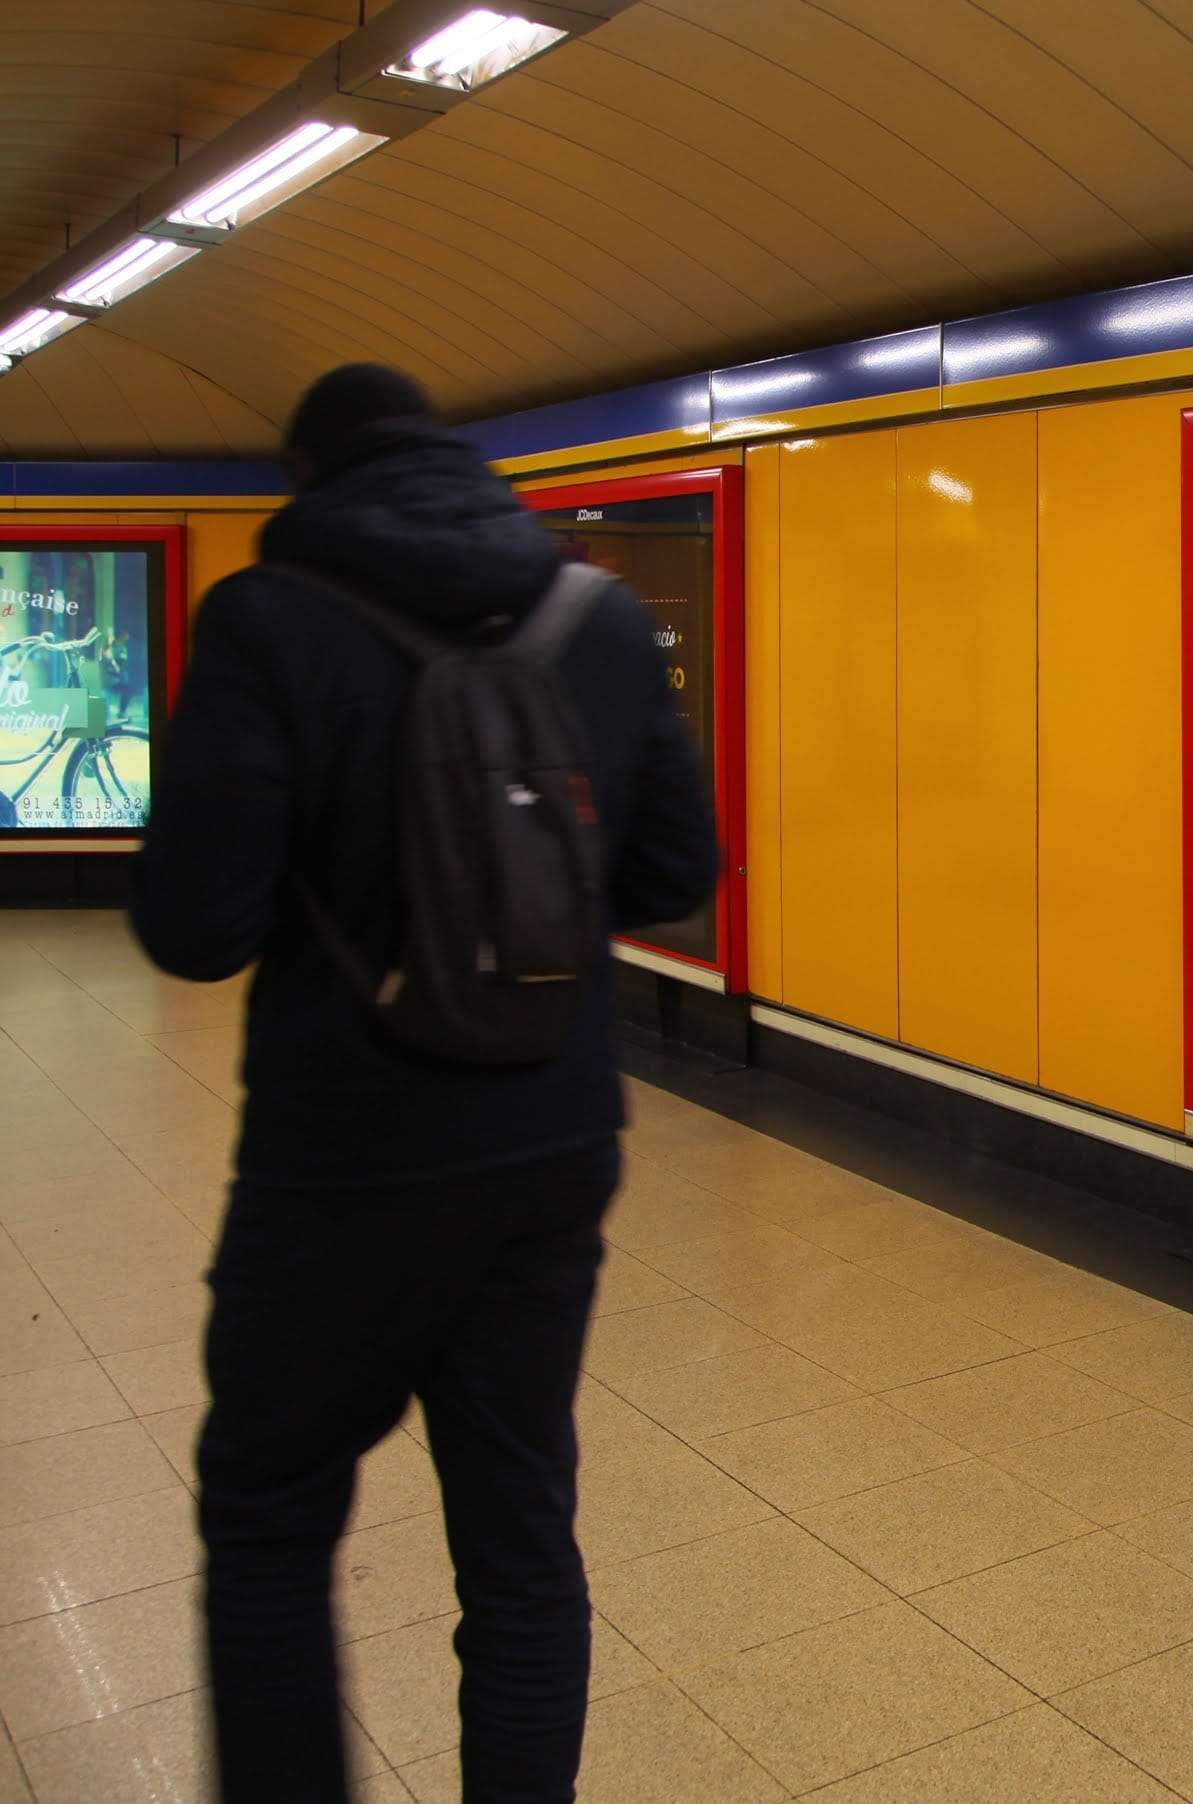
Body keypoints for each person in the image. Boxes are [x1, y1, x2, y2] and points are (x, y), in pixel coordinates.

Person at [129, 364, 718, 1804]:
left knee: (271, 1521)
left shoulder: (266, 617)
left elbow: (196, 928)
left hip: (343, 1157)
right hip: (551, 1142)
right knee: (520, 1538)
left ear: (309, 475)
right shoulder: (593, 617)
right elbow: (673, 872)